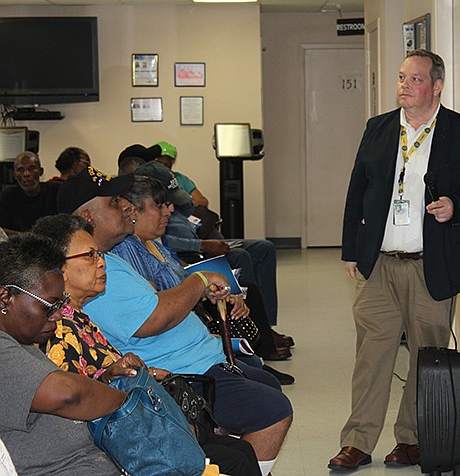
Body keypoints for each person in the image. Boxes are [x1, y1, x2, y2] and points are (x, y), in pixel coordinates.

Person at [56, 166, 292, 476]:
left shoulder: (109, 259)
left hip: (197, 357)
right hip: (182, 370)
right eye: (115, 202)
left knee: (267, 384)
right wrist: (199, 280)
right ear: (88, 218)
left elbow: (159, 301)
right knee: (274, 410)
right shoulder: (96, 272)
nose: (126, 205)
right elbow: (154, 317)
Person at [329, 49, 460, 471]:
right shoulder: (379, 128)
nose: (404, 86)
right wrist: (351, 248)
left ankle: (412, 438)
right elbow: (357, 189)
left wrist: (455, 204)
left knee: (427, 354)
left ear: (436, 86)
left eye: (415, 79)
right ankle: (357, 441)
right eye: (401, 77)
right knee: (372, 355)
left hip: (431, 264)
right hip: (380, 263)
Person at [32, 214, 262, 476]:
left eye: (100, 255)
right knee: (235, 459)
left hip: (136, 418)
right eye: (90, 256)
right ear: (59, 267)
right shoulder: (57, 328)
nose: (101, 263)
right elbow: (80, 404)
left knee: (241, 452)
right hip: (121, 438)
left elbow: (104, 377)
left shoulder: (80, 316)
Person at [111, 175, 294, 382]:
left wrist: (215, 292)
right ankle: (256, 360)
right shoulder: (127, 249)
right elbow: (156, 307)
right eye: (160, 206)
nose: (169, 211)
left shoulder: (153, 243)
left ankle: (259, 356)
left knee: (243, 298)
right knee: (260, 378)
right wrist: (201, 287)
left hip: (190, 322)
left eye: (168, 205)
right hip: (179, 338)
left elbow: (181, 281)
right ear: (134, 211)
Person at [0, 233, 125, 475]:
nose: (57, 315)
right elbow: (70, 396)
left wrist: (104, 380)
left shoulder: (21, 342)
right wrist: (131, 403)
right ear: (5, 297)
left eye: (61, 305)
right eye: (49, 306)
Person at [0, 152, 61, 232]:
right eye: (20, 170)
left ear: (41, 171)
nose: (26, 174)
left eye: (31, 169)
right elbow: (2, 231)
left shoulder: (55, 191)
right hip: (20, 243)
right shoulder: (8, 196)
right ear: (14, 175)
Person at [153, 141, 210, 207]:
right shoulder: (148, 180)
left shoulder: (180, 178)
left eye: (166, 164)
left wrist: (189, 203)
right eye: (159, 163)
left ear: (172, 163)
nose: (162, 167)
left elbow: (203, 201)